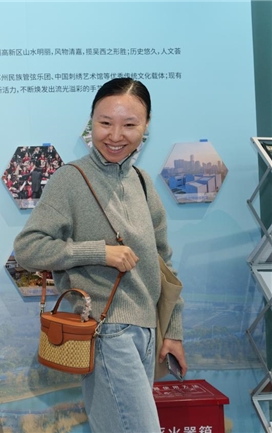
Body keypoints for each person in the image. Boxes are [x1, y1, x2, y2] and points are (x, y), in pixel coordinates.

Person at [13, 77, 186, 433]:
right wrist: (98, 253)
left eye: (130, 125)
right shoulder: (71, 179)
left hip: (146, 330)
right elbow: (28, 248)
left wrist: (173, 331)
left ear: (147, 126)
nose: (115, 135)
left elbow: (163, 263)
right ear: (91, 121)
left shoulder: (142, 182)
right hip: (107, 332)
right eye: (105, 123)